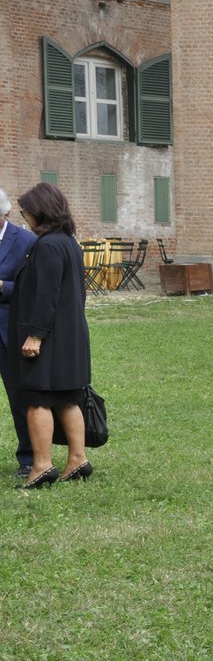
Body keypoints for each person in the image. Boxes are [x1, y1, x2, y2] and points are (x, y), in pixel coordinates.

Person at [11, 183, 92, 489]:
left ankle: (42, 465)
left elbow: (46, 296)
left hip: (48, 339)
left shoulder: (46, 246)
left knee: (37, 400)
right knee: (67, 399)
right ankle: (77, 459)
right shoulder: (69, 243)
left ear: (40, 212)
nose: (25, 217)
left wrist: (36, 336)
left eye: (26, 211)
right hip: (70, 336)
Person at [0, 190, 40, 478]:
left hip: (8, 333)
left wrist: (4, 287)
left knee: (19, 397)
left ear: (5, 215)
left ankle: (28, 458)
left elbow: (35, 288)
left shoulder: (27, 241)